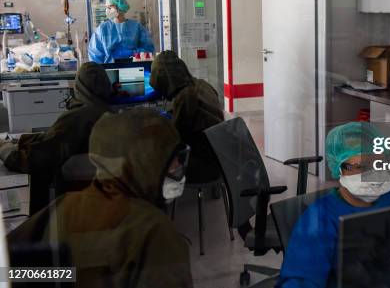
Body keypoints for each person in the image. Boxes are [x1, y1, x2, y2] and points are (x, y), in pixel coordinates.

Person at [8, 108, 193, 288]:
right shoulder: (155, 233)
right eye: (171, 159)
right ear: (145, 163)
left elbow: (10, 270)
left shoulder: (63, 205)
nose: (178, 167)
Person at [276, 122, 390, 288]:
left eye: (379, 164)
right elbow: (300, 280)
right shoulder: (321, 218)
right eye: (360, 167)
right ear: (339, 168)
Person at [0, 62, 113, 213]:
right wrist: (21, 140)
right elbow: (54, 139)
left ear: (78, 87)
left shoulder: (75, 119)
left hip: (74, 205)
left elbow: (37, 159)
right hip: (104, 201)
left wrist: (5, 150)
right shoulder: (110, 114)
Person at [150, 50, 224, 184]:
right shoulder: (201, 84)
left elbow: (175, 138)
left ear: (167, 80)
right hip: (220, 158)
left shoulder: (185, 97)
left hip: (204, 166)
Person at [88, 0, 154, 63]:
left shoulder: (136, 27)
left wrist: (133, 53)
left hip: (134, 68)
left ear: (119, 7)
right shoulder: (102, 29)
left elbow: (148, 48)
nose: (107, 10)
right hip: (110, 69)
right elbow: (95, 54)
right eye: (106, 7)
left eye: (110, 7)